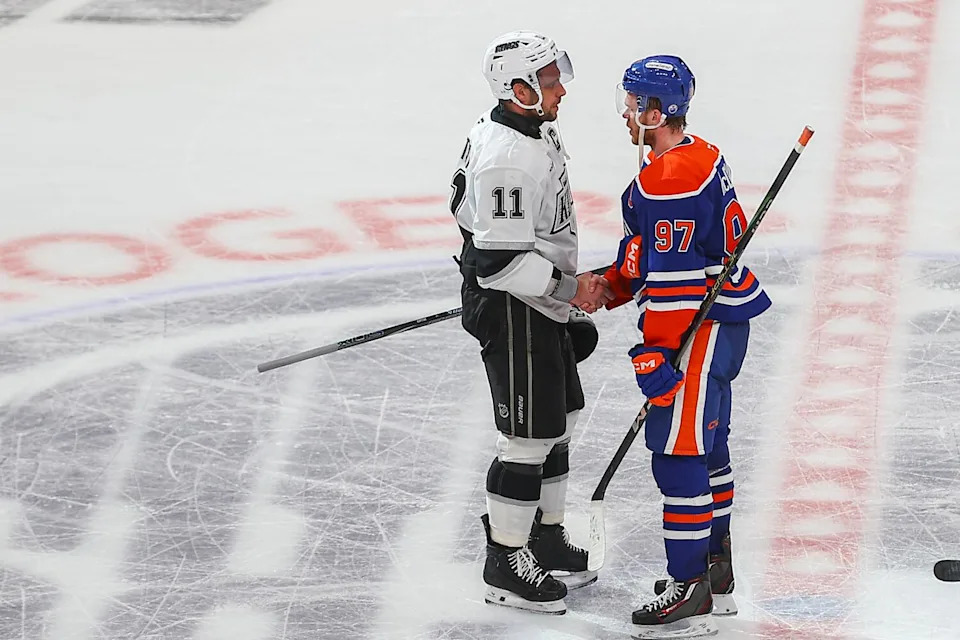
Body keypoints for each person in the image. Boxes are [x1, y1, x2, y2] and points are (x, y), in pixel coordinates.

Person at [601, 56, 771, 638]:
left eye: (632, 104)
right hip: (722, 320)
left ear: (655, 110)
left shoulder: (667, 178)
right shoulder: (701, 154)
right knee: (710, 449)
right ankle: (715, 572)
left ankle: (689, 586)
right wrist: (611, 285)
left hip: (693, 331)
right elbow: (668, 253)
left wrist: (654, 355)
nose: (626, 114)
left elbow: (674, 284)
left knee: (677, 457)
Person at [449, 30, 612, 615]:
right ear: (517, 89)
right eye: (548, 80)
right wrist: (572, 291)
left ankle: (543, 535)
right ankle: (506, 559)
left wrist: (565, 302)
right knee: (527, 437)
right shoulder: (507, 158)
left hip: (539, 301)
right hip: (516, 306)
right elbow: (496, 263)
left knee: (559, 417)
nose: (560, 89)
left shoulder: (530, 127)